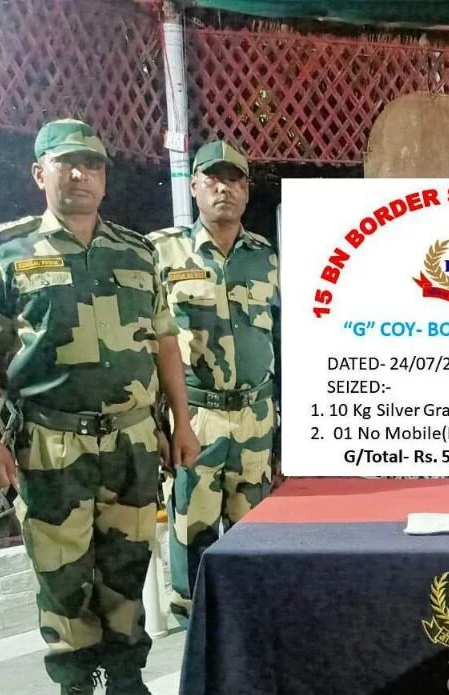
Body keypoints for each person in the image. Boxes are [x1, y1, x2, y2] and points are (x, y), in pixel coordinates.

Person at [0, 118, 200, 695]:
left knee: (127, 570)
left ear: (103, 177)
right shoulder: (7, 250)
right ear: (40, 173)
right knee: (62, 577)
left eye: (91, 164)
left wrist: (180, 424)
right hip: (51, 444)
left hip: (132, 443)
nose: (79, 174)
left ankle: (128, 694)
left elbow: (164, 343)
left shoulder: (135, 251)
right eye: (65, 163)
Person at [147, 140, 281, 623]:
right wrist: (158, 426)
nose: (224, 189)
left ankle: (249, 633)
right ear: (194, 186)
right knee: (192, 538)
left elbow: (281, 340)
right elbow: (147, 343)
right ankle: (196, 636)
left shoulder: (266, 257)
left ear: (246, 190)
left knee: (255, 536)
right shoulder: (162, 253)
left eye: (235, 180)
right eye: (213, 179)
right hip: (195, 419)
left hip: (256, 418)